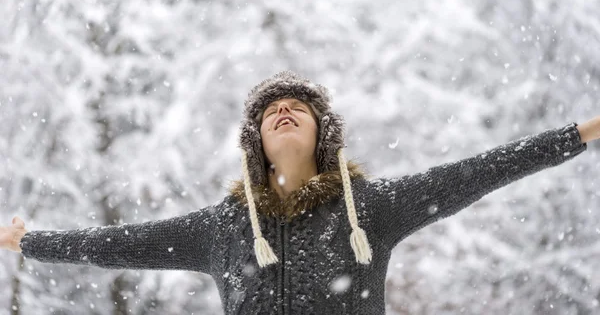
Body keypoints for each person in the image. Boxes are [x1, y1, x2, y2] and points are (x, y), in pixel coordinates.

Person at [1, 70, 598, 314]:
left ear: (322, 132)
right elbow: (115, 244)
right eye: (270, 113)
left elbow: (482, 170)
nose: (283, 112)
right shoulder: (222, 228)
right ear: (255, 142)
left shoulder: (370, 208)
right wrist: (30, 241)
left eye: (297, 108)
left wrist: (581, 134)